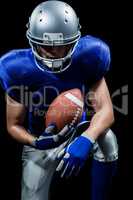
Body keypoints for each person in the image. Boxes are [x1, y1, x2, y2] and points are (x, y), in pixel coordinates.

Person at [0, 1, 118, 200]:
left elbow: (106, 110)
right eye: (46, 45)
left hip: (76, 132)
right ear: (33, 40)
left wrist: (86, 138)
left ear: (75, 41)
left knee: (107, 139)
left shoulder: (90, 54)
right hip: (42, 139)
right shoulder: (16, 67)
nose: (53, 52)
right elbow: (13, 125)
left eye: (61, 45)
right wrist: (35, 141)